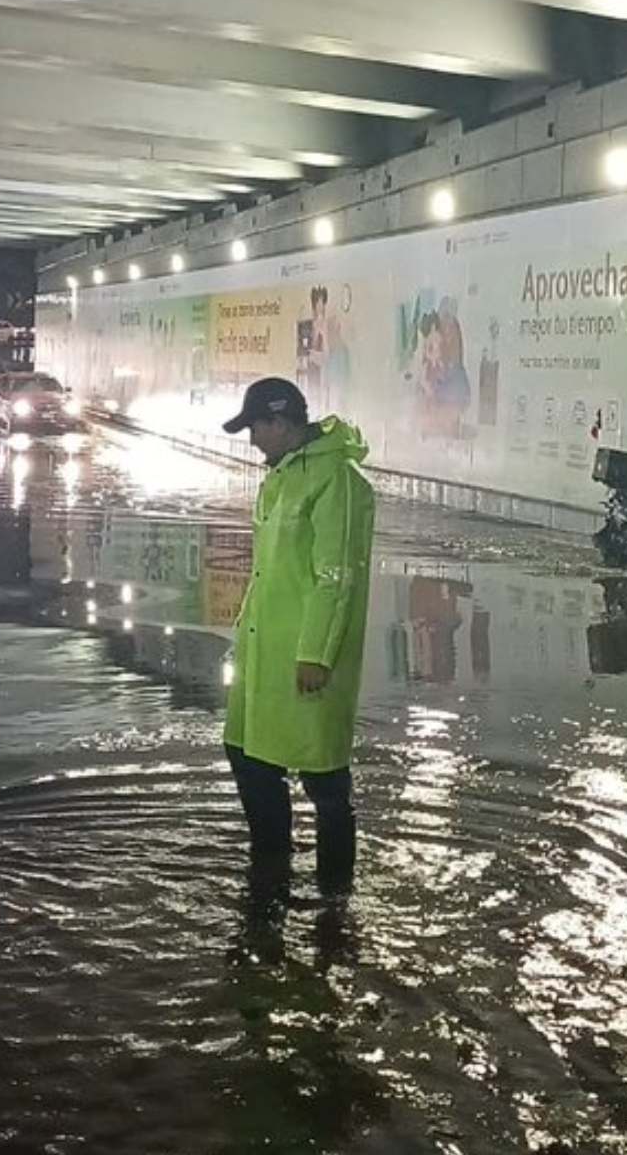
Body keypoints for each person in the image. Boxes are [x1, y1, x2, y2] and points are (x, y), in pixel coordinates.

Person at [220, 377, 376, 898]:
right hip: (264, 651)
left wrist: (316, 654)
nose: (253, 440)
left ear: (281, 423)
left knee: (324, 782)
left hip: (306, 658)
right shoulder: (282, 477)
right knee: (248, 755)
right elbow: (270, 571)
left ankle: (336, 899)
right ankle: (270, 869)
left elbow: (336, 577)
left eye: (256, 428)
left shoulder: (338, 481)